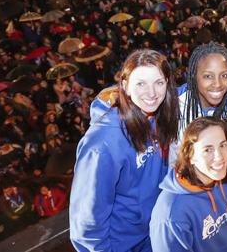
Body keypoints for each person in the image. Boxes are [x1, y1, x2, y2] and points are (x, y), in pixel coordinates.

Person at [70, 49, 179, 252]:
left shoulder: (158, 118)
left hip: (154, 235)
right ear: (125, 85)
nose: (152, 93)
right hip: (121, 245)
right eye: (141, 83)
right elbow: (87, 219)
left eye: (159, 82)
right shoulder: (102, 143)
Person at [150, 117, 227, 252]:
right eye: (207, 150)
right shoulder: (171, 215)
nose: (219, 157)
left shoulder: (222, 179)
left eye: (223, 145)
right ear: (190, 156)